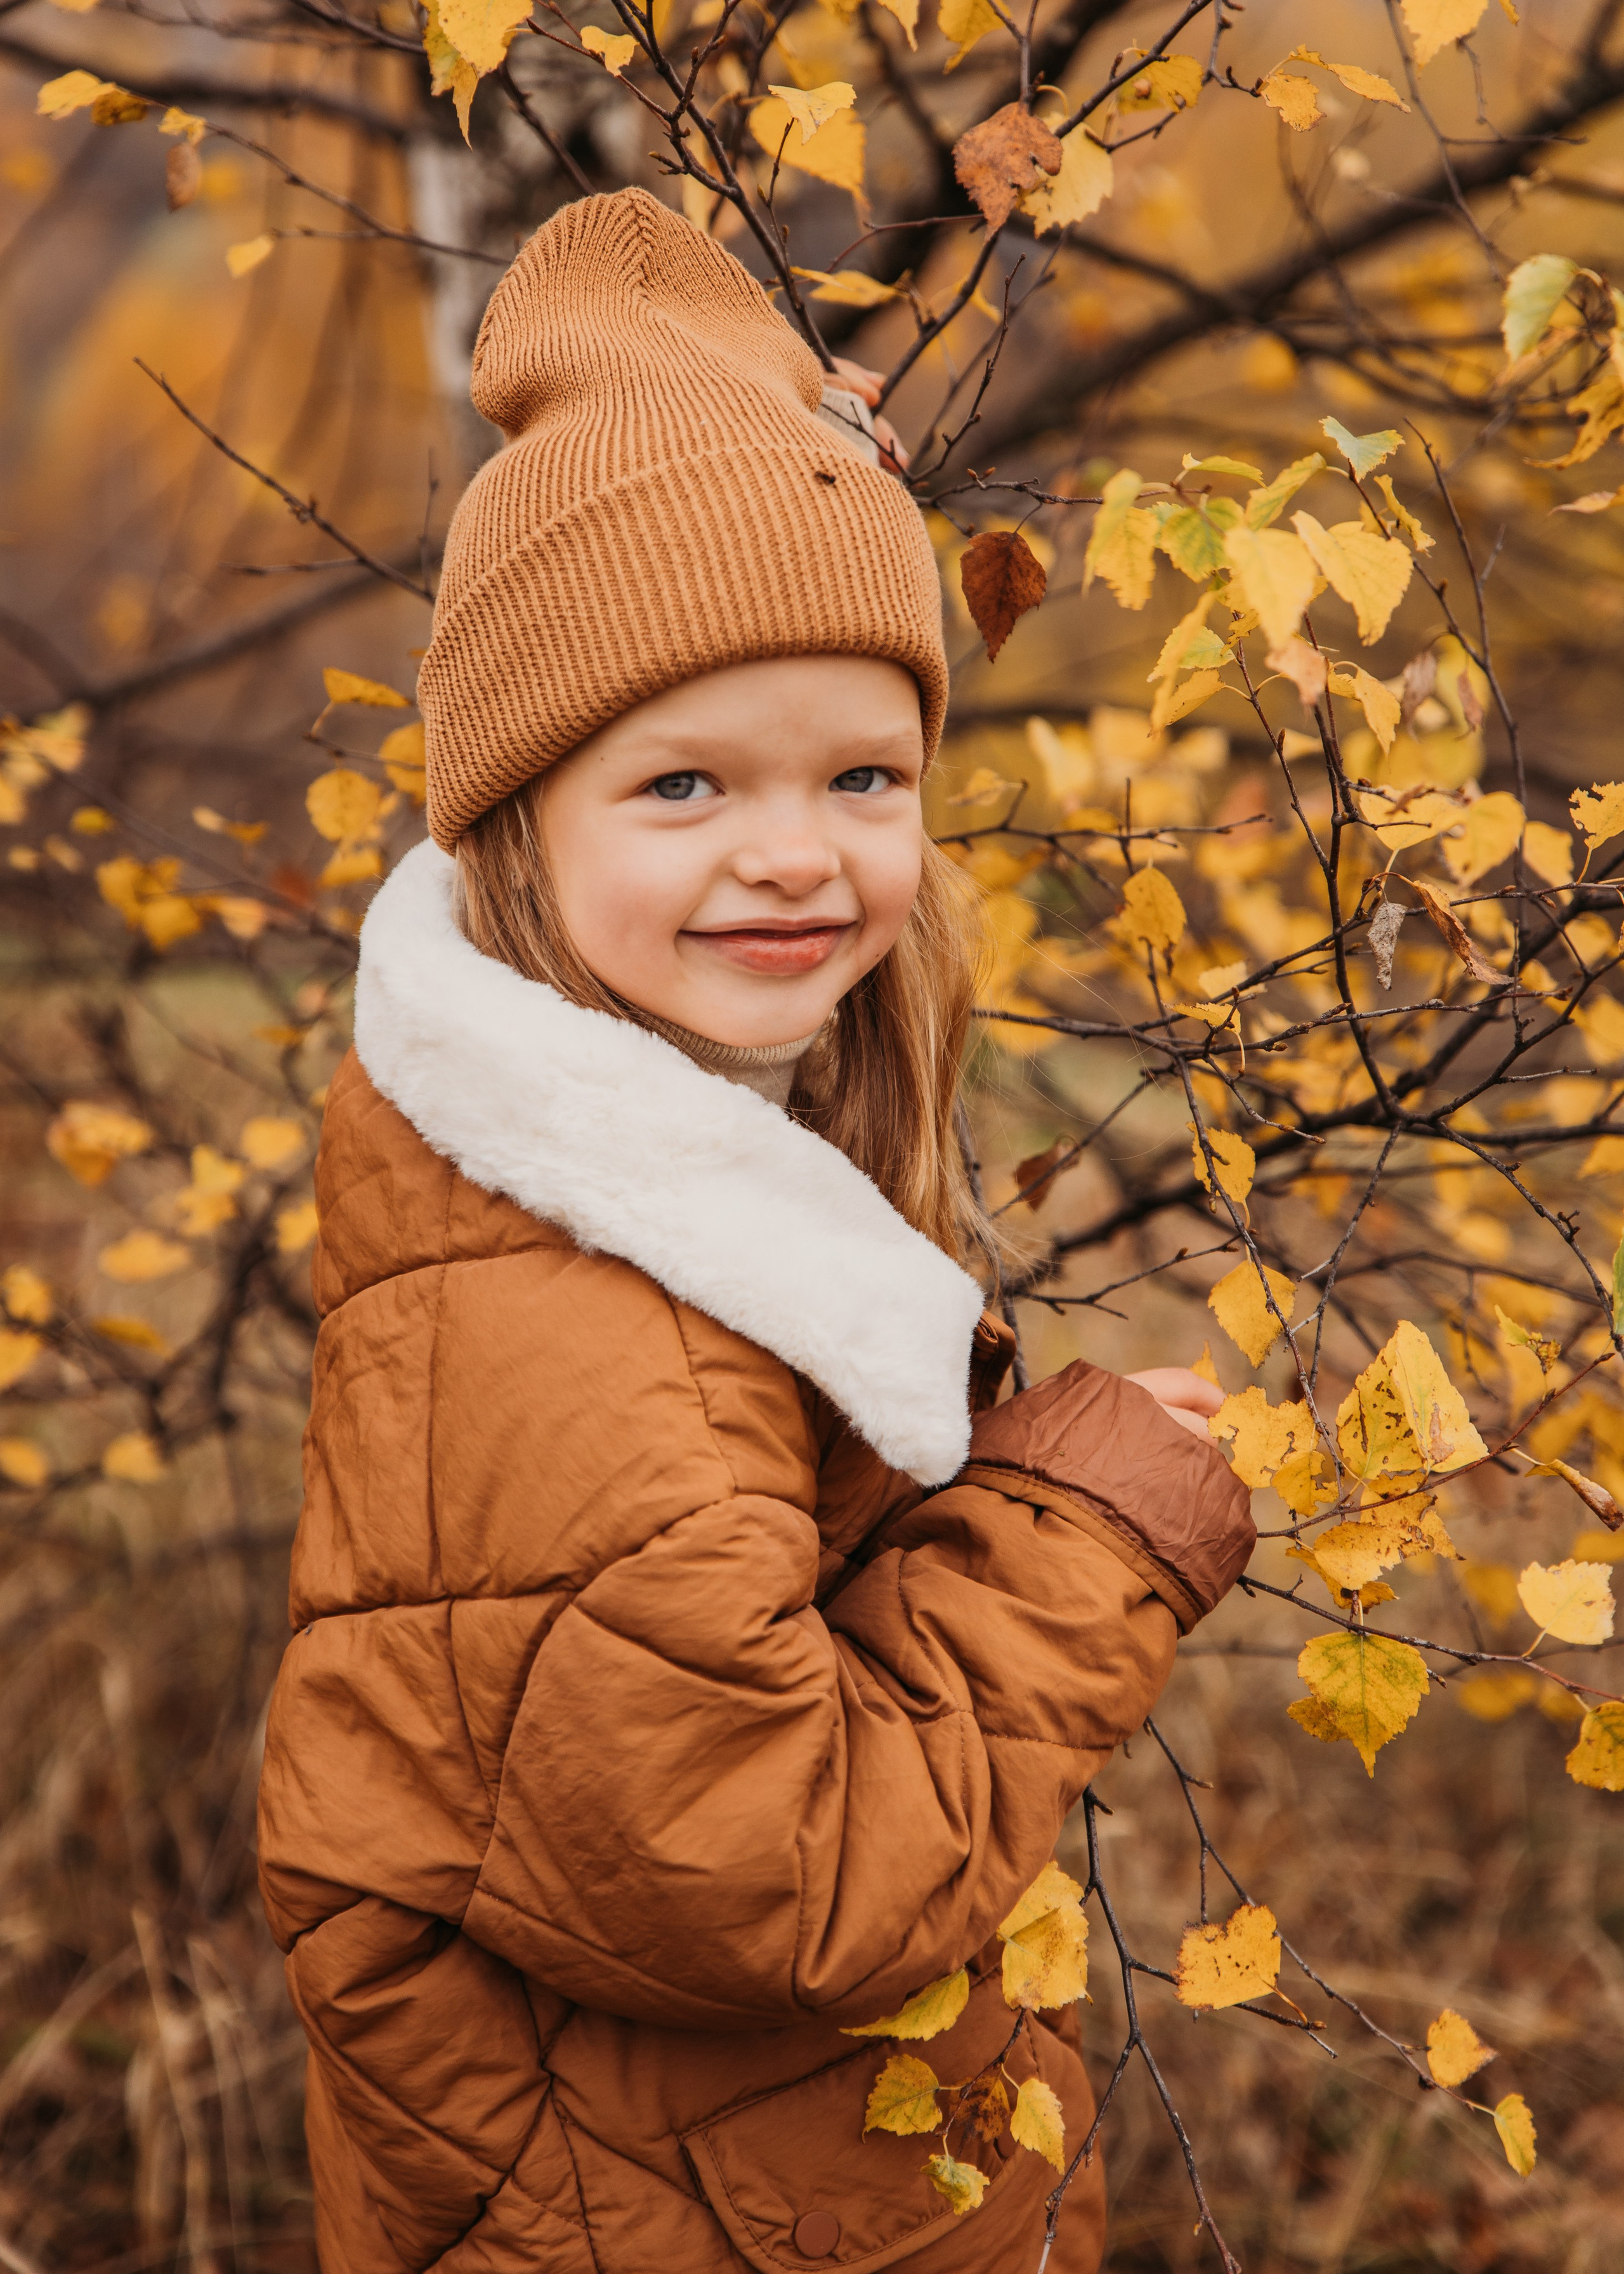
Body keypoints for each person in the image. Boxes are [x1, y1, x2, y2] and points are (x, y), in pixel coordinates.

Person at [256, 185, 1254, 2274]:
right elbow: (756, 1870)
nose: (795, 858)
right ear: (516, 815)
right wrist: (1080, 1539)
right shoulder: (579, 1306)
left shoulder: (655, 1166)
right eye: (685, 787)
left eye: (864, 779)